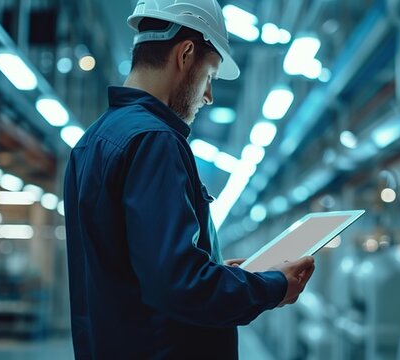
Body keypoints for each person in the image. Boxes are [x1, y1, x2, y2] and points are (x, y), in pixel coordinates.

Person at [62, 0, 316, 359]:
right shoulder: (155, 140)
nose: (209, 96)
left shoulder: (91, 142)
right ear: (185, 54)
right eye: (210, 76)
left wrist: (212, 270)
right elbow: (178, 286)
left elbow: (138, 273)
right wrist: (273, 286)